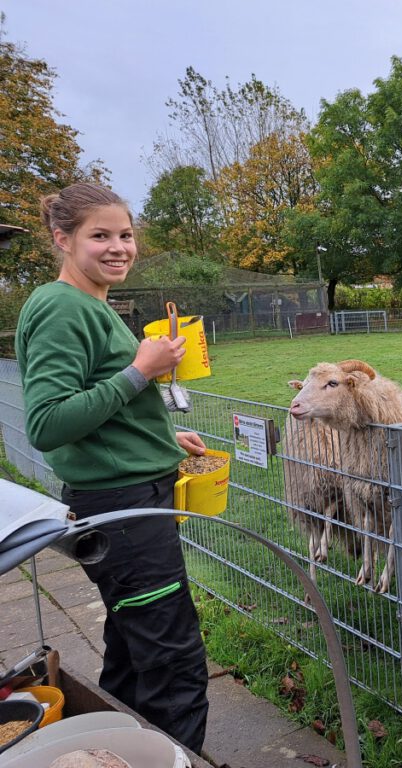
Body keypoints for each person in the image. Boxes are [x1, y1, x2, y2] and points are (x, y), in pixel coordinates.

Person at [15, 182, 210, 753]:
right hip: (122, 512)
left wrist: (159, 436)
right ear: (62, 238)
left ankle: (106, 756)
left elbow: (97, 408)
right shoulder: (60, 307)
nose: (118, 247)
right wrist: (141, 372)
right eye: (99, 235)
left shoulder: (89, 303)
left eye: (125, 234)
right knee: (175, 666)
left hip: (128, 497)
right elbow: (48, 422)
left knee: (130, 649)